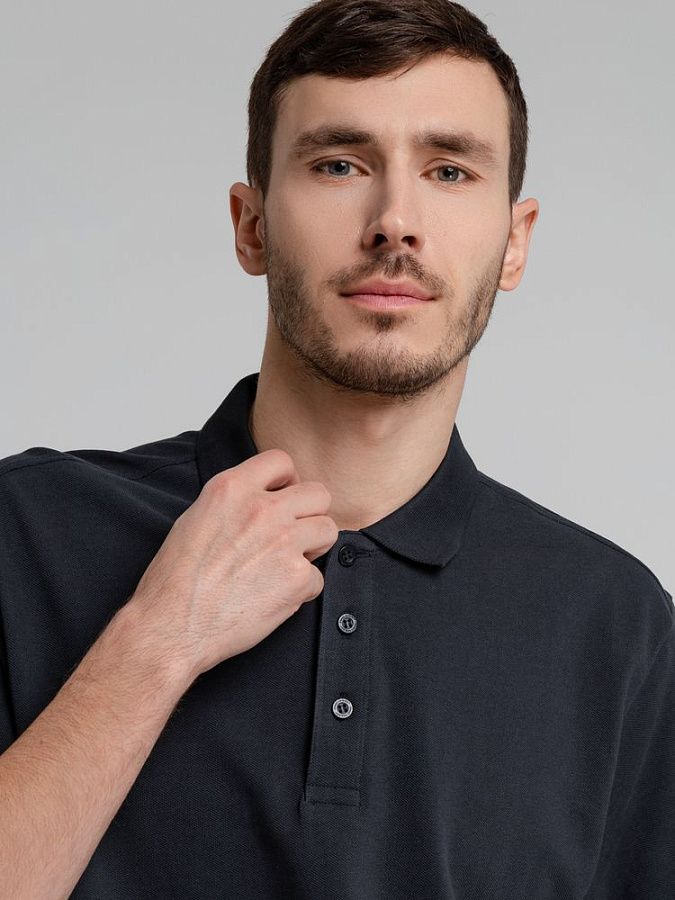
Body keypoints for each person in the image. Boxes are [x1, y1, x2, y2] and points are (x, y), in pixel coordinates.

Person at [0, 0, 672, 897]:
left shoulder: (615, 625)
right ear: (251, 226)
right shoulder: (25, 533)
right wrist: (155, 645)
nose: (394, 221)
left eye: (448, 170)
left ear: (514, 244)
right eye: (338, 164)